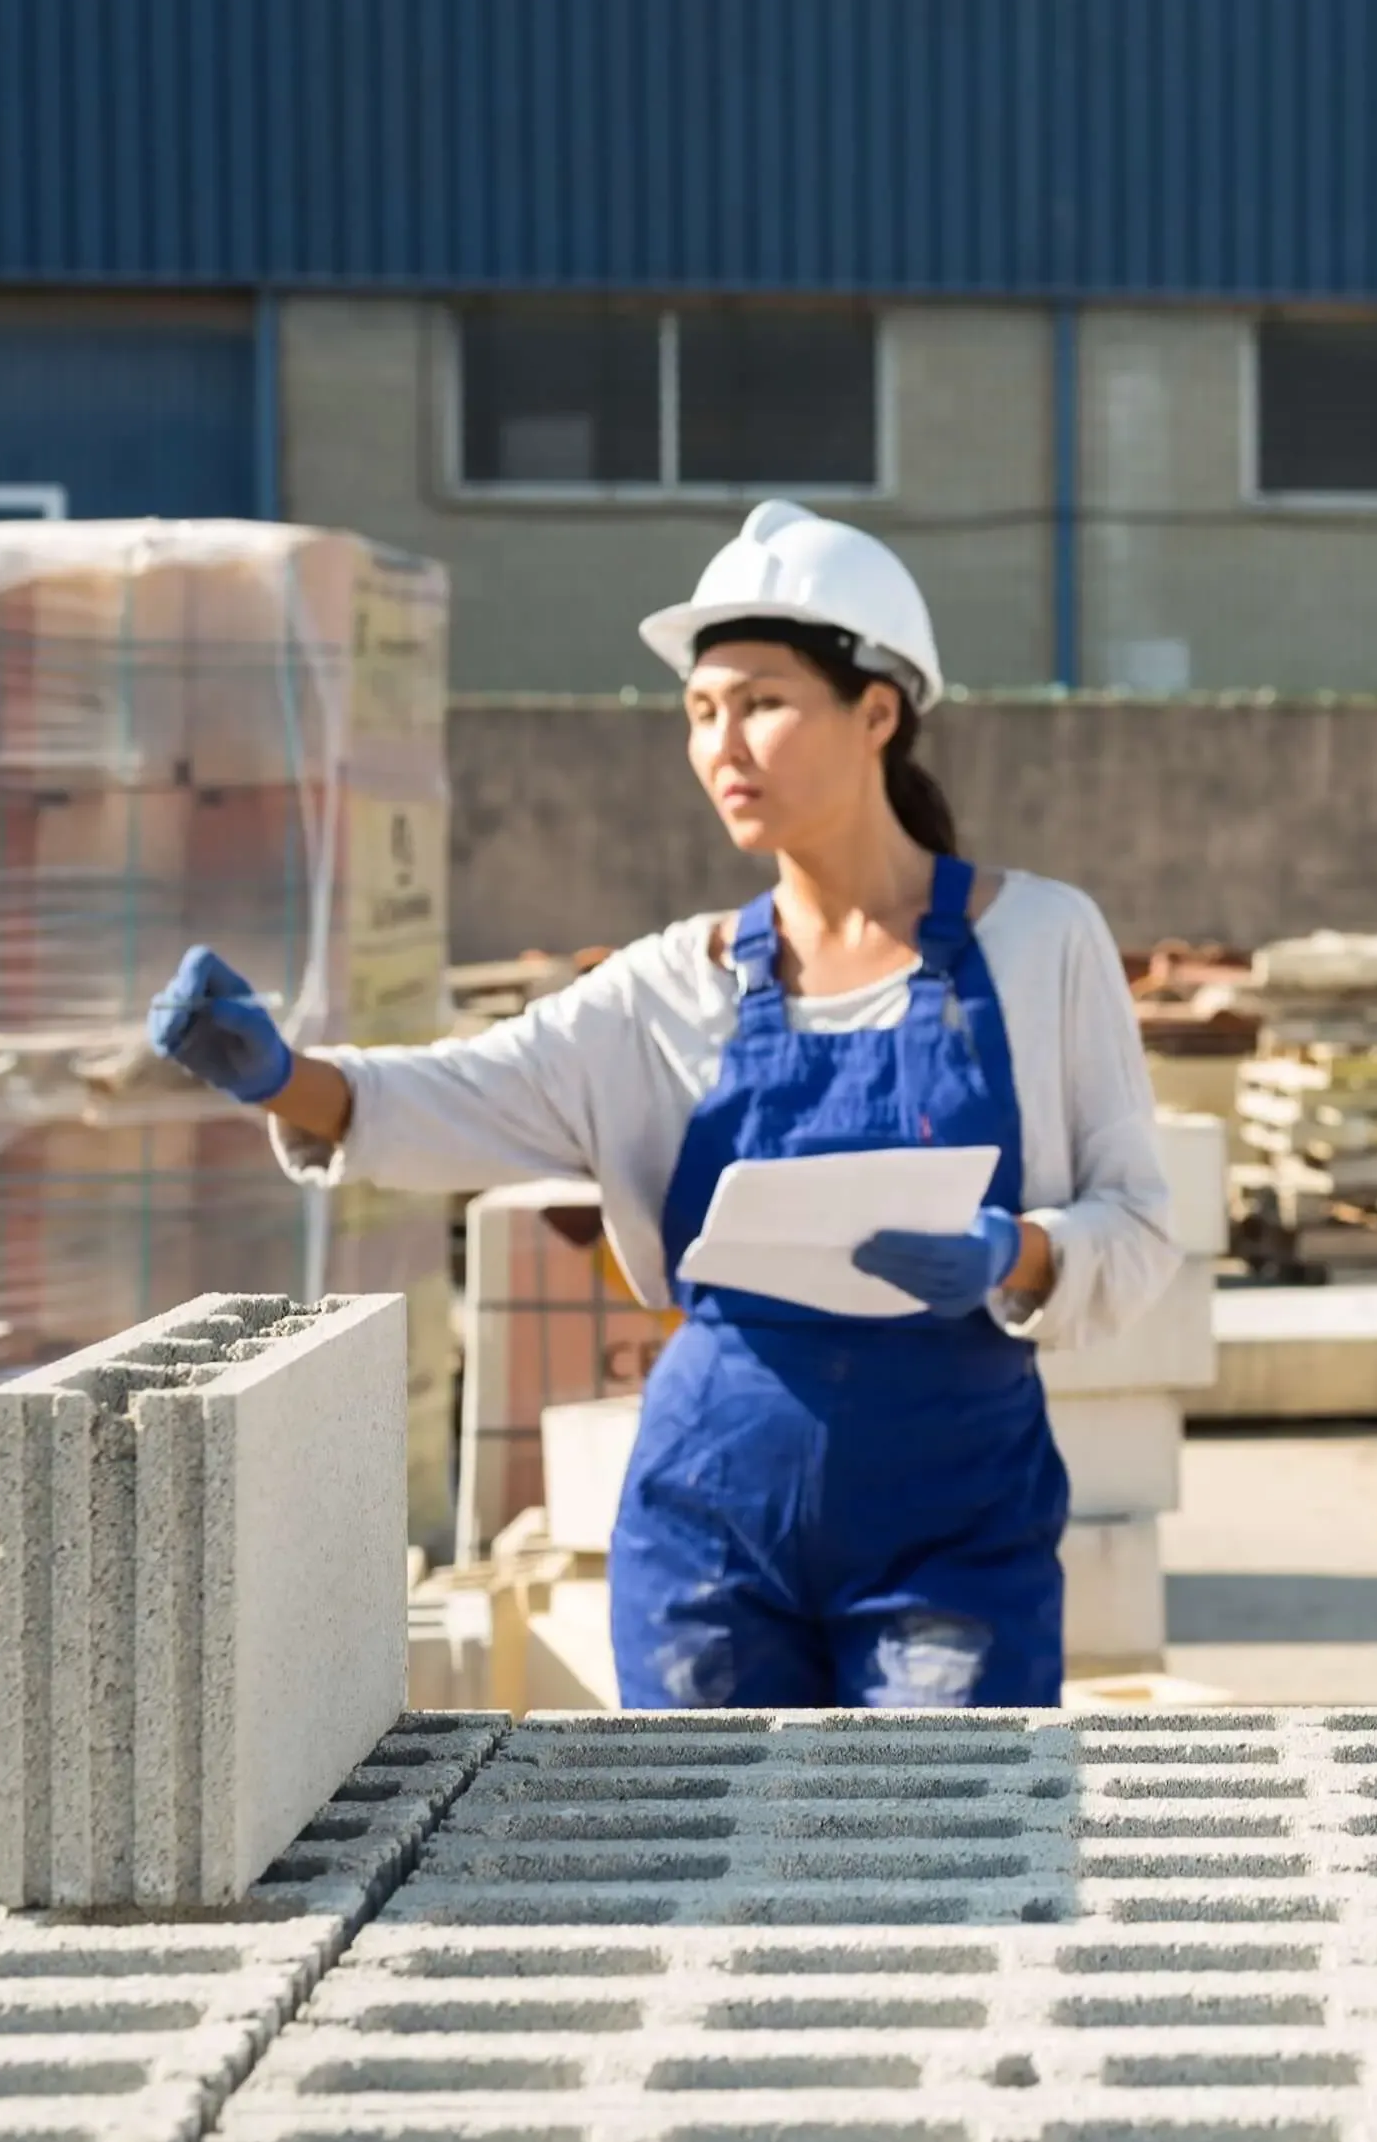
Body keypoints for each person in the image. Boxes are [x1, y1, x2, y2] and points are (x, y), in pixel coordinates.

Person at [149, 500, 1177, 1712]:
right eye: (700, 711)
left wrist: (1023, 1251)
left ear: (879, 713)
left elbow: (1140, 1223)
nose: (722, 743)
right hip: (709, 1527)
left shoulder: (1040, 942)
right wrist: (283, 1076)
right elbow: (464, 1094)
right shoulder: (667, 989)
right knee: (707, 1883)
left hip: (952, 1529)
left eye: (761, 702)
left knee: (940, 1873)